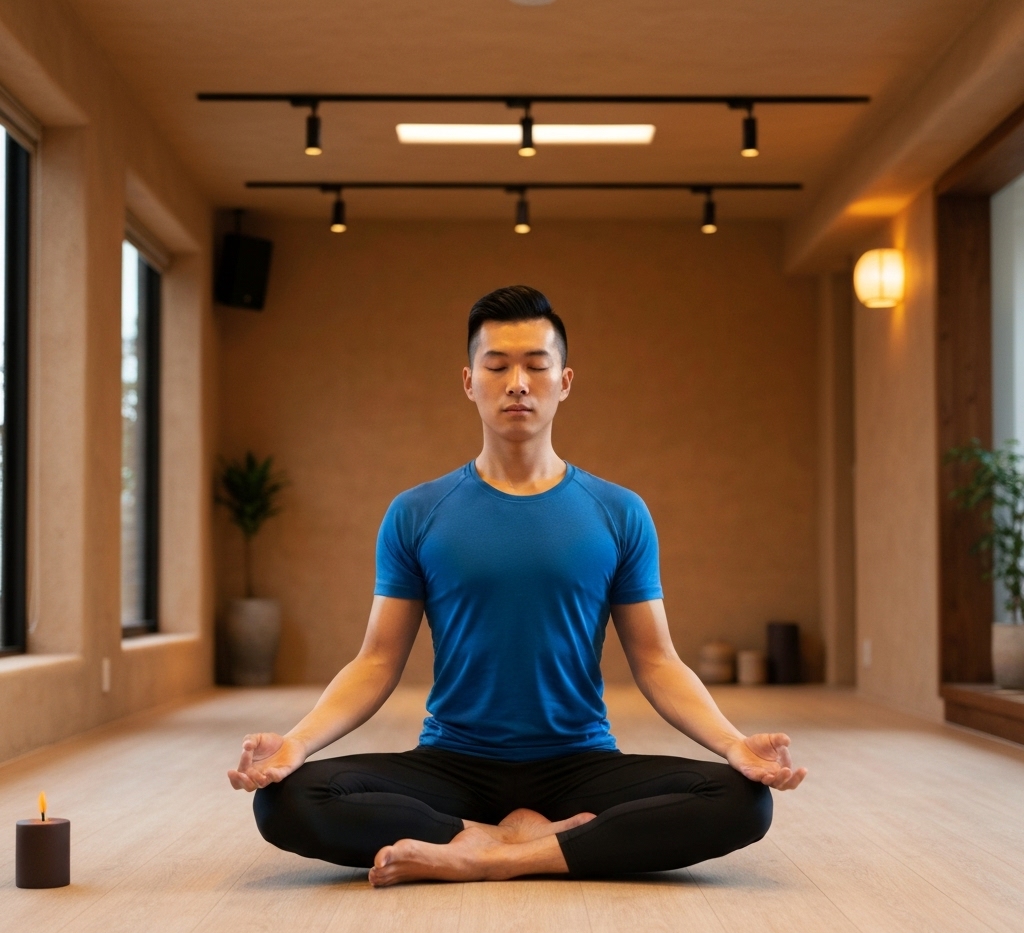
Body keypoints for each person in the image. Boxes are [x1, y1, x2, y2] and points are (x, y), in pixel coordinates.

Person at [228, 285, 807, 887]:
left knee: (742, 800)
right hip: (454, 763)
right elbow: (376, 661)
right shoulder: (416, 512)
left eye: (536, 364)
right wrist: (295, 744)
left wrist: (734, 745)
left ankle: (490, 853)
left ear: (565, 381)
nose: (518, 382)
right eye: (497, 365)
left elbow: (658, 661)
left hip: (579, 764)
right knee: (287, 800)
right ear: (469, 381)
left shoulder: (619, 512)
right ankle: (522, 837)